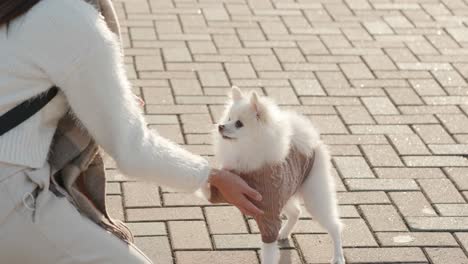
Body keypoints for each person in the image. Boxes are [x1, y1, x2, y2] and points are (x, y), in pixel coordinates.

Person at [0, 0, 263, 263]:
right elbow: (133, 149)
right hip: (11, 195)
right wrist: (211, 176)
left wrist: (104, 98)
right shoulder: (73, 20)